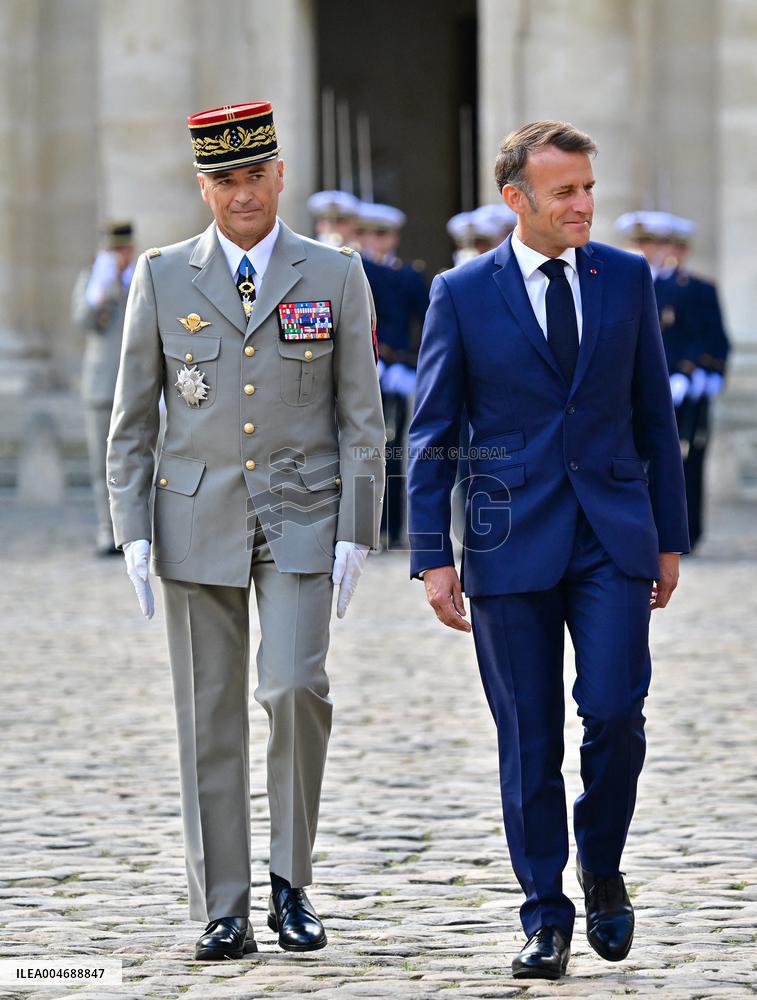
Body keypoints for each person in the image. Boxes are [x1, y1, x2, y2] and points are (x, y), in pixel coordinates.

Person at [408, 121, 688, 981]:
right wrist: (432, 553)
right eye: (564, 191)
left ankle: (599, 864)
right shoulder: (460, 292)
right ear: (515, 200)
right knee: (527, 737)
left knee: (613, 712)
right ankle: (544, 914)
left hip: (612, 535)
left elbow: (654, 415)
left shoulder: (626, 277)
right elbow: (431, 432)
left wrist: (668, 537)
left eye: (587, 188)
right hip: (505, 540)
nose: (583, 205)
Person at [106, 101, 385, 961]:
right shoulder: (161, 274)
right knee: (208, 712)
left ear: (279, 175)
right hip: (194, 516)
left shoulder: (333, 272)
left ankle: (290, 880)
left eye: (253, 176)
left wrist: (357, 526)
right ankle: (222, 902)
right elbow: (133, 419)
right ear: (204, 185)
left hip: (303, 516)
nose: (241, 195)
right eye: (223, 180)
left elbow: (361, 417)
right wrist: (132, 530)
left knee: (296, 688)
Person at [358, 202, 428, 547]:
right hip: (364, 366)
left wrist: (411, 361)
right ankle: (367, 529)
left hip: (396, 367)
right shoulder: (356, 269)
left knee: (395, 448)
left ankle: (393, 528)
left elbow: (427, 318)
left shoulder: (407, 275)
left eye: (382, 233)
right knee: (362, 449)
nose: (376, 240)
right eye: (370, 233)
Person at [71, 221, 135, 555]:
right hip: (100, 385)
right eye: (112, 250)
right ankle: (106, 532)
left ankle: (135, 531)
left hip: (135, 384)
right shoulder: (94, 280)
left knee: (136, 461)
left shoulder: (139, 278)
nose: (118, 256)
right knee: (101, 464)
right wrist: (104, 293)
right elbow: (83, 322)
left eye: (122, 249)